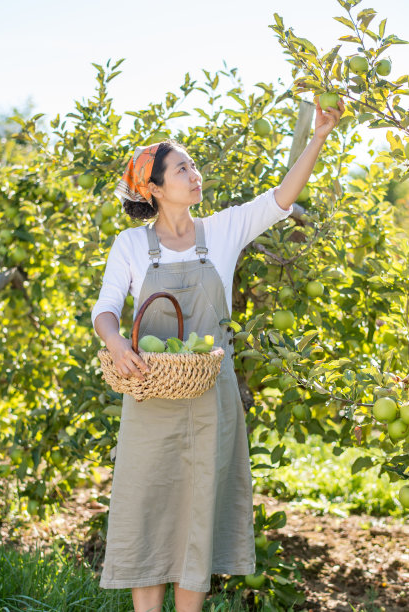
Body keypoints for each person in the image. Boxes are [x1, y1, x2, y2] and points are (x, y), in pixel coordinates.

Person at [92, 98, 345, 612]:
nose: (194, 172)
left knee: (197, 519)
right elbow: (105, 310)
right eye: (181, 167)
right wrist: (116, 343)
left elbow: (279, 199)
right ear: (156, 189)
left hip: (211, 401)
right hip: (149, 397)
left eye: (193, 164)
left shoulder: (223, 232)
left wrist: (318, 136)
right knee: (149, 512)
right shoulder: (131, 245)